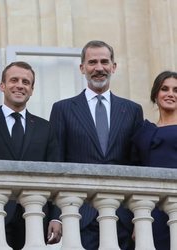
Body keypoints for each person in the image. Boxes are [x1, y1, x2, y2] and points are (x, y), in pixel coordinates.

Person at [49, 40, 144, 250]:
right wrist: (56, 216)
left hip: (122, 216)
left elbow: (137, 166)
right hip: (79, 216)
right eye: (92, 62)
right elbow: (56, 165)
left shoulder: (132, 111)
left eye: (104, 62)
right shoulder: (63, 109)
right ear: (82, 68)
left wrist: (139, 217)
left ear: (113, 66)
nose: (99, 68)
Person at [0, 61, 62, 249]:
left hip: (35, 216)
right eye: (14, 80)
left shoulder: (46, 129)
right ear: (2, 85)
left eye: (26, 82)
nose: (20, 85)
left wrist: (57, 217)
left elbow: (56, 175)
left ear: (32, 90)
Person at [131, 70, 177, 250]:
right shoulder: (144, 130)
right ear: (155, 95)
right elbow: (136, 171)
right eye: (164, 89)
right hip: (151, 209)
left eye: (176, 90)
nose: (170, 94)